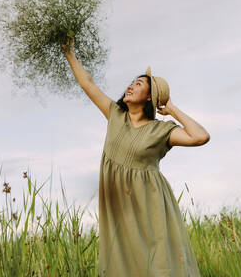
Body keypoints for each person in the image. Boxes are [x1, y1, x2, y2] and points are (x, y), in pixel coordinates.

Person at [62, 37, 209, 277]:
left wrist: (171, 109)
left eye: (138, 84)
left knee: (156, 263)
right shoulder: (115, 115)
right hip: (119, 206)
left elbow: (200, 136)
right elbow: (87, 84)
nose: (130, 86)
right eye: (131, 82)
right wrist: (69, 54)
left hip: (149, 205)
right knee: (124, 263)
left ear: (150, 97)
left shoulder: (162, 131)